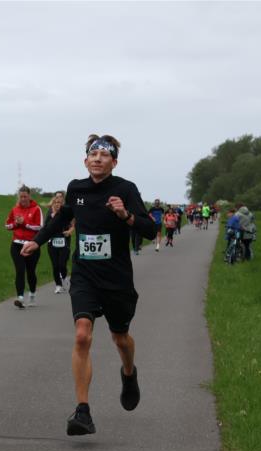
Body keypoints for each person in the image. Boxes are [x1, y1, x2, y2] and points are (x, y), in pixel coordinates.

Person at [22, 134, 154, 435]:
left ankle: (129, 373)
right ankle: (83, 411)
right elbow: (61, 219)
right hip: (84, 274)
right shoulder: (76, 188)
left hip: (117, 277)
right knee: (82, 335)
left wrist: (126, 215)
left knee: (120, 338)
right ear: (85, 160)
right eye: (93, 153)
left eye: (105, 154)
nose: (98, 158)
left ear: (114, 162)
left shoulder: (125, 189)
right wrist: (37, 241)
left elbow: (149, 229)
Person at [5, 185, 43, 307]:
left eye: (25, 196)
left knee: (31, 271)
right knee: (20, 270)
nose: (23, 199)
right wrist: (16, 224)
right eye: (21, 197)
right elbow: (7, 226)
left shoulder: (36, 209)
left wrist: (25, 224)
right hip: (17, 244)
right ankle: (20, 297)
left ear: (29, 196)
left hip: (31, 245)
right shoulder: (15, 209)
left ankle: (32, 294)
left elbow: (39, 227)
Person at [45, 190, 74, 293]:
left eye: (59, 202)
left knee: (62, 264)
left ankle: (65, 277)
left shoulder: (67, 212)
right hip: (52, 242)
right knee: (55, 265)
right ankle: (58, 285)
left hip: (64, 241)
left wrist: (69, 231)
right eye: (55, 202)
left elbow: (73, 224)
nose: (57, 204)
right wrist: (52, 217)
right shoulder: (49, 214)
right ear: (53, 204)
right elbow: (45, 227)